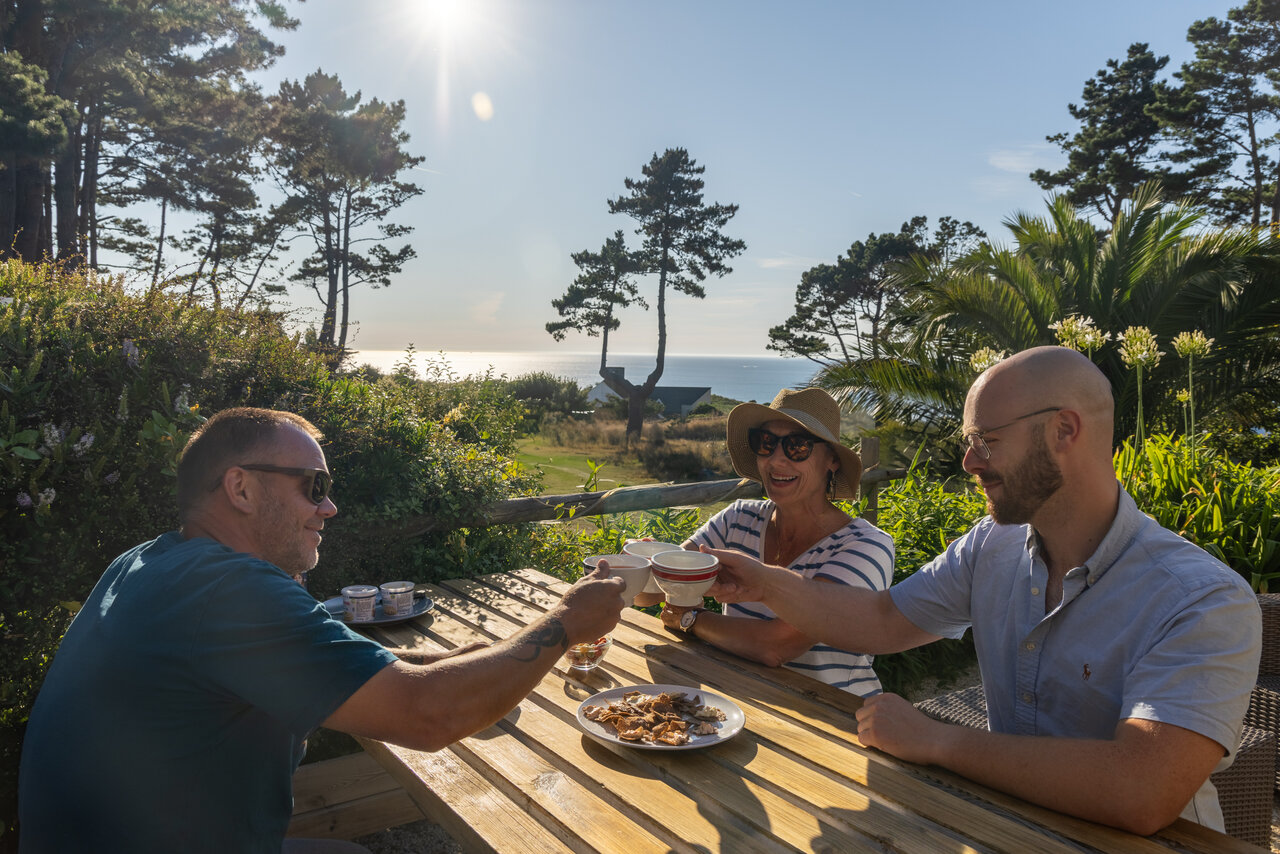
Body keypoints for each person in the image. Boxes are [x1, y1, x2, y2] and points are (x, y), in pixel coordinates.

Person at [704, 347, 1261, 836]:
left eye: (986, 441)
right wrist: (762, 580)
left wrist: (938, 741)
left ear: (1065, 431)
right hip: (1006, 825)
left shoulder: (1202, 600)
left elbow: (1142, 791)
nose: (969, 462)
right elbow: (881, 619)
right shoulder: (993, 545)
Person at [18, 407, 626, 854]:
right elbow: (427, 716)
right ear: (242, 488)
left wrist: (462, 667)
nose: (329, 508)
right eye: (316, 486)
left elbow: (360, 681)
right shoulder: (224, 590)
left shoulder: (150, 561)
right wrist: (567, 622)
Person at [636, 388, 893, 696]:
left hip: (834, 720)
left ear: (832, 460)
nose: (776, 460)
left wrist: (690, 619)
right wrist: (639, 565)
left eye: (797, 446)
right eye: (766, 443)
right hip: (743, 699)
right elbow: (649, 594)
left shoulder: (865, 546)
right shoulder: (738, 519)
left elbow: (777, 646)